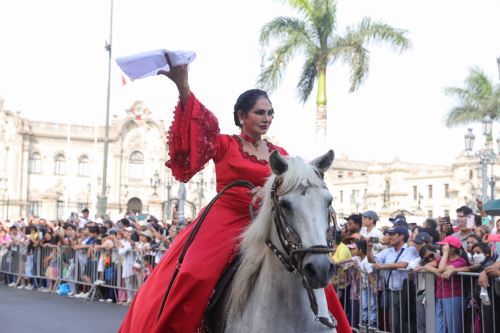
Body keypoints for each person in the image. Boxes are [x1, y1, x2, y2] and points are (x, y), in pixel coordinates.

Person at [118, 54, 350, 333]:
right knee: (194, 272)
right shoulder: (225, 144)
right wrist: (183, 87)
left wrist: (269, 192)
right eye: (259, 112)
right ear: (242, 116)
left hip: (267, 224)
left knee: (312, 275)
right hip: (225, 221)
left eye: (270, 113)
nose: (267, 118)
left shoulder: (282, 155)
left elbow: (292, 192)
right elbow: (198, 128)